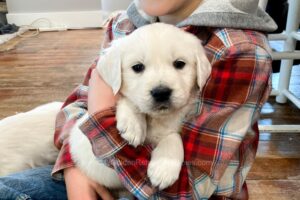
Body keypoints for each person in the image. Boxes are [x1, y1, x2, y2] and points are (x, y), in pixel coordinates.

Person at [0, 0, 277, 199]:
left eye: (179, 64)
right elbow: (75, 107)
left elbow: (191, 189)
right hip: (103, 175)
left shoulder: (238, 48)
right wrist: (74, 168)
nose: (159, 86)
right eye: (138, 68)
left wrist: (101, 115)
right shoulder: (124, 25)